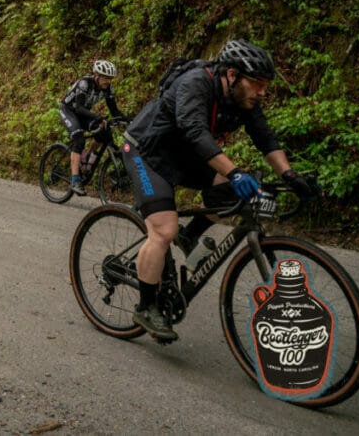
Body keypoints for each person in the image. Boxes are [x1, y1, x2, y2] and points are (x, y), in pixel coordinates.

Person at [121, 39, 320, 341]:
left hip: (186, 156)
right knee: (163, 231)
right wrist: (235, 171)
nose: (262, 91)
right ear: (232, 75)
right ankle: (147, 307)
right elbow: (196, 132)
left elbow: (265, 137)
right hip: (147, 153)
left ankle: (191, 234)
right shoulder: (195, 84)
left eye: (266, 85)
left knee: (231, 194)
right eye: (257, 84)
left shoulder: (243, 99)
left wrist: (290, 175)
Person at [58, 60, 127, 196]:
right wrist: (98, 117)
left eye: (110, 78)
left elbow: (114, 112)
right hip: (69, 110)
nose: (108, 81)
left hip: (83, 113)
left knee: (104, 134)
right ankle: (75, 180)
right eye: (105, 78)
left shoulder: (108, 89)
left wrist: (129, 120)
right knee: (79, 139)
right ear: (96, 75)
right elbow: (78, 107)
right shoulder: (85, 83)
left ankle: (87, 158)